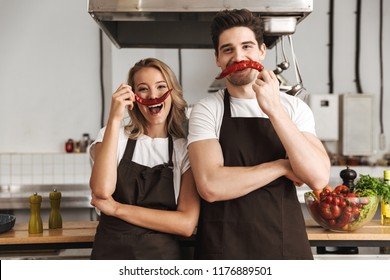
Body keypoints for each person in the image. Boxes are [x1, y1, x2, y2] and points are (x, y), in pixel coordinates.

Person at [187, 9, 331, 260]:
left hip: (284, 244)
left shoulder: (293, 108)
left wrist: (274, 109)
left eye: (247, 46)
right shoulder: (207, 109)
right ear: (217, 58)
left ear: (262, 51)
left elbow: (317, 178)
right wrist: (282, 166)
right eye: (228, 49)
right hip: (223, 249)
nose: (238, 56)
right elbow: (211, 186)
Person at [89, 58, 199, 260]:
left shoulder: (184, 150)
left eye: (161, 87)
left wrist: (116, 208)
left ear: (172, 93)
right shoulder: (114, 136)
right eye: (143, 89)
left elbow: (185, 224)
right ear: (133, 97)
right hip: (111, 255)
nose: (153, 95)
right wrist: (114, 118)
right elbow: (101, 190)